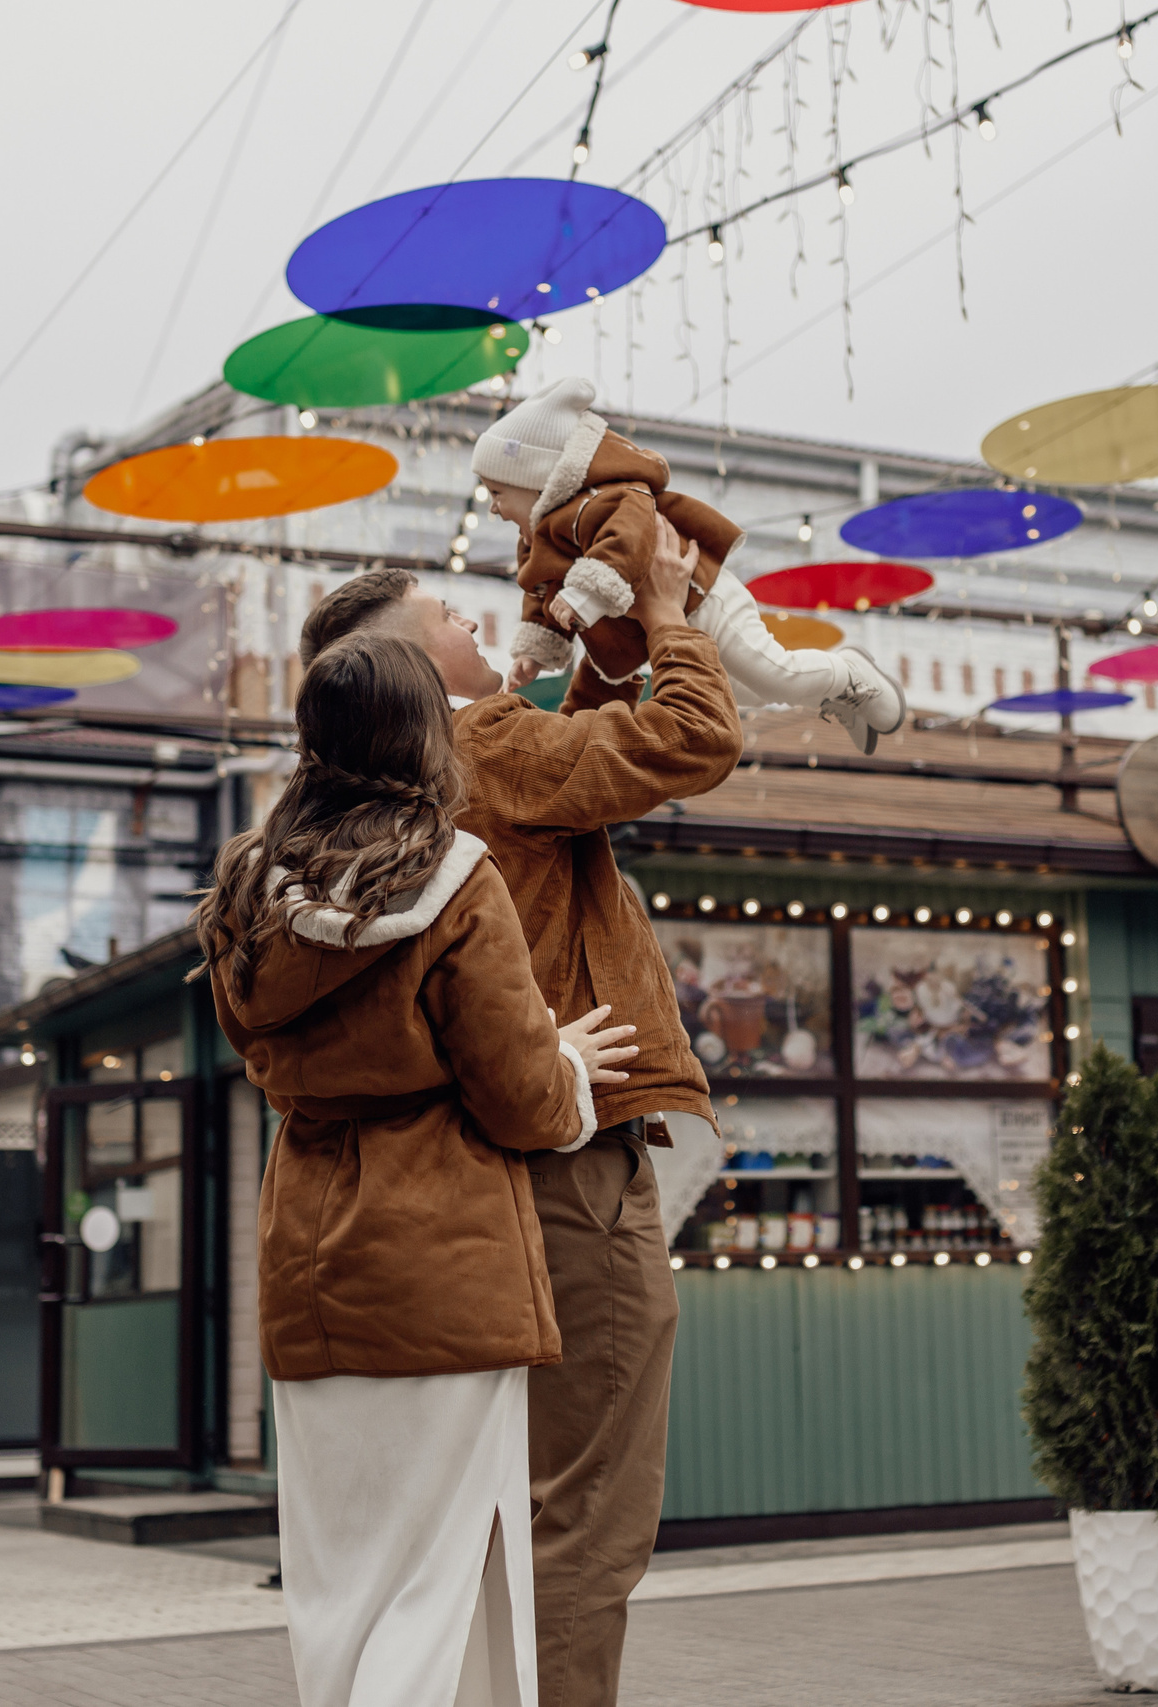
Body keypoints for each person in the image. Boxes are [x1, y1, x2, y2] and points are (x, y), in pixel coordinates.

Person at [299, 522, 739, 1707]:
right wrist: (669, 614)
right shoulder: (485, 740)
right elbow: (697, 737)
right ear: (419, 672)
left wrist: (602, 649)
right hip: (572, 1155)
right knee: (587, 1508)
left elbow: (580, 748)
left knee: (505, 1514)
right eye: (450, 617)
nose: (479, 623)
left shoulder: (361, 803)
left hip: (452, 1191)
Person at [197, 631, 639, 1707]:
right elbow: (520, 1099)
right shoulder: (453, 877)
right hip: (448, 1267)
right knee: (440, 1587)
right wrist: (568, 1061)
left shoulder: (245, 886)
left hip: (306, 1264)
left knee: (339, 1585)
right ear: (424, 738)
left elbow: (259, 1055)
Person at [477, 375, 906, 754]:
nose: (493, 507)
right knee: (742, 692)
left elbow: (627, 541)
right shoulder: (535, 541)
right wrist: (537, 650)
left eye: (497, 492)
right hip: (669, 628)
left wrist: (586, 594)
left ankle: (850, 674)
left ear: (536, 479)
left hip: (704, 598)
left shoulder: (605, 501)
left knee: (773, 673)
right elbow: (539, 593)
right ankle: (830, 695)